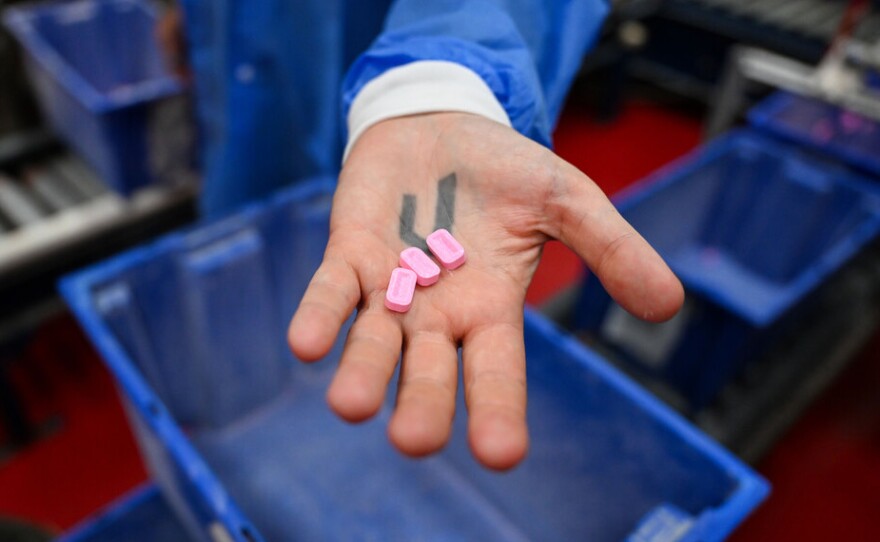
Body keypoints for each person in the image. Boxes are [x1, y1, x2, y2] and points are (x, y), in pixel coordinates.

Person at [159, 0, 684, 471]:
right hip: (238, 60)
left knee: (339, 305)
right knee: (264, 260)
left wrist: (438, 80)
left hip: (394, 52)